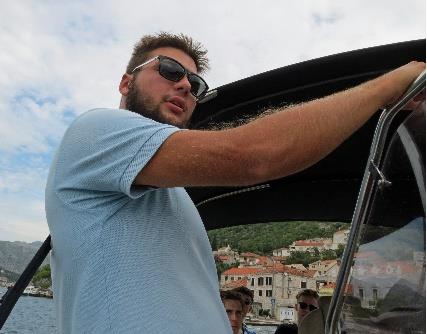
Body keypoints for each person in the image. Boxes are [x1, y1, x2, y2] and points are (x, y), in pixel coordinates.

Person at [45, 31, 425, 334]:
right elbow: (253, 155)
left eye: (196, 83)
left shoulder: (172, 195)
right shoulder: (97, 130)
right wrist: (388, 88)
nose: (185, 87)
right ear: (126, 82)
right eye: (169, 71)